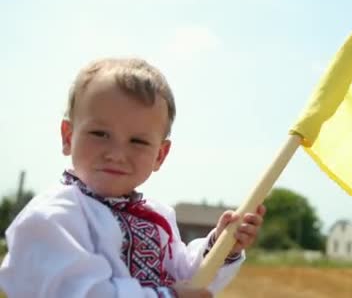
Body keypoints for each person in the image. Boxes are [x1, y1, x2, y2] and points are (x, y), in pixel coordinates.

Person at [0, 58, 265, 297]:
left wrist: (222, 245)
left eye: (137, 141)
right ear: (68, 137)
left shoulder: (157, 217)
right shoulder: (52, 217)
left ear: (160, 155)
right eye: (100, 134)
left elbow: (188, 279)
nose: (116, 154)